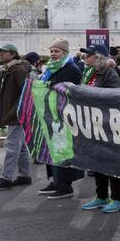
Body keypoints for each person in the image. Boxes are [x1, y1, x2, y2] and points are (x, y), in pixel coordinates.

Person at [72, 44, 120, 212]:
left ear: (98, 57)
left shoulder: (108, 72)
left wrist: (91, 95)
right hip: (92, 123)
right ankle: (101, 196)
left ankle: (117, 198)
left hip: (108, 123)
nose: (85, 57)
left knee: (111, 161)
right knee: (97, 160)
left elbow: (116, 95)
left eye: (88, 55)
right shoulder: (88, 72)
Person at [37, 39, 83, 198]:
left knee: (63, 149)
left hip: (64, 116)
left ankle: (65, 185)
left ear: (65, 53)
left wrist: (51, 85)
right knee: (52, 149)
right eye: (51, 51)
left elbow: (71, 91)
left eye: (57, 51)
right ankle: (56, 180)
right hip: (50, 114)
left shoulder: (72, 69)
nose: (53, 54)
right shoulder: (49, 68)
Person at [0, 44, 34, 190]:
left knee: (12, 146)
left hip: (17, 114)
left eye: (4, 52)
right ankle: (24, 175)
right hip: (13, 112)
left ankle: (6, 177)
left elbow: (27, 92)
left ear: (13, 54)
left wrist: (16, 111)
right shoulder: (8, 69)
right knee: (21, 146)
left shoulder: (18, 70)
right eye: (0, 52)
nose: (0, 54)